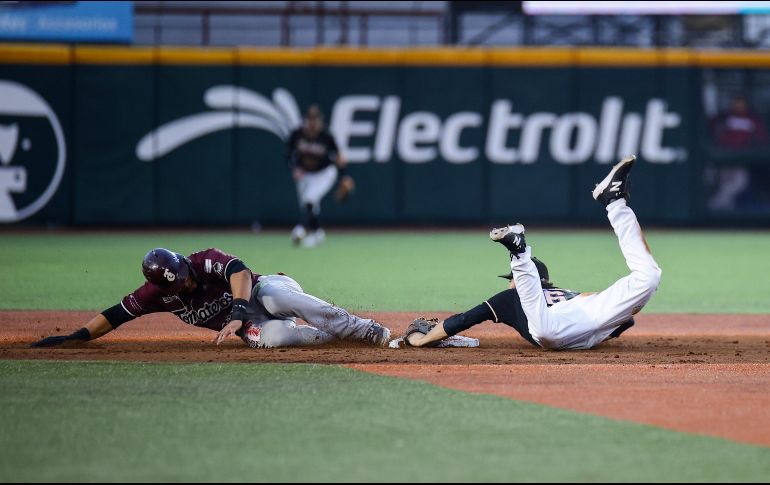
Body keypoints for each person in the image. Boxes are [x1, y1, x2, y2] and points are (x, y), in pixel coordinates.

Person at [404, 155, 662, 350]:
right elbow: (626, 323)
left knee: (541, 320)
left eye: (511, 279)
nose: (509, 284)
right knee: (649, 277)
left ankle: (519, 253)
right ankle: (614, 202)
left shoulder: (511, 298)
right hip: (589, 317)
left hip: (555, 329)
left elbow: (462, 320)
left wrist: (422, 339)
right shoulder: (566, 292)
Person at [32, 248, 391, 349]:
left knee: (280, 298)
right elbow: (116, 314)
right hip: (251, 325)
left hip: (261, 292)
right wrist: (77, 336)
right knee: (278, 337)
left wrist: (237, 311)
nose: (187, 285)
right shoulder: (154, 294)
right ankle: (335, 337)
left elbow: (239, 271)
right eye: (179, 286)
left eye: (186, 277)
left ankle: (363, 329)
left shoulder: (202, 260)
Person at [286, 105, 355, 248]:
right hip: (305, 174)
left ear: (320, 121)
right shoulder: (297, 135)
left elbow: (339, 158)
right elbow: (288, 154)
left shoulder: (326, 136)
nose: (312, 123)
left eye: (315, 120)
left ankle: (299, 230)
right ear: (305, 120)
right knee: (309, 206)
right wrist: (295, 168)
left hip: (324, 173)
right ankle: (318, 234)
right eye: (310, 119)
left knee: (309, 200)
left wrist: (345, 176)